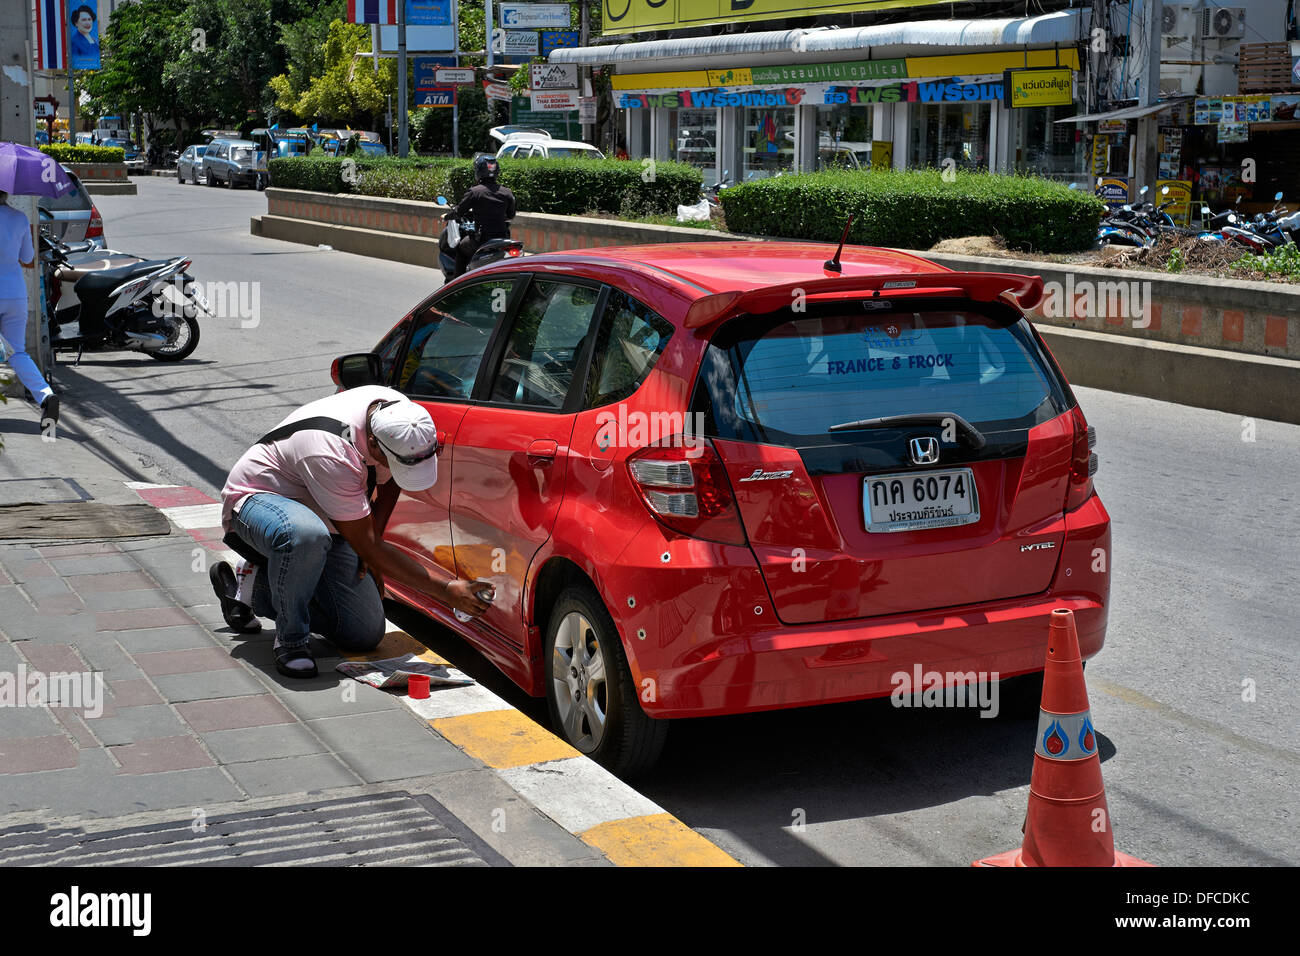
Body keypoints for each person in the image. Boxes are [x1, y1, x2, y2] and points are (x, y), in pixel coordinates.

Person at [209, 386, 491, 678]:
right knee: (306, 534)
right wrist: (444, 589)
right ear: (372, 441)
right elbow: (365, 542)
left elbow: (391, 481)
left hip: (324, 517)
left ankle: (254, 585)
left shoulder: (402, 418)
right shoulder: (331, 450)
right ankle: (292, 641)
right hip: (258, 504)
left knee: (363, 633)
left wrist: (373, 549)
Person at [0, 191, 58, 428]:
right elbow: (28, 256)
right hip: (15, 293)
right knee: (17, 353)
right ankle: (46, 395)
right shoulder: (20, 218)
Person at [449, 155, 515, 276]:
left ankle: (456, 283)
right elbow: (511, 215)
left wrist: (447, 216)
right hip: (503, 237)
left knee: (461, 248)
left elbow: (459, 211)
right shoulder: (507, 192)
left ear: (478, 171)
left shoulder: (475, 192)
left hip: (482, 239)